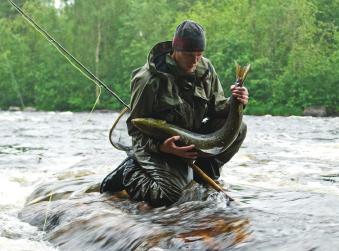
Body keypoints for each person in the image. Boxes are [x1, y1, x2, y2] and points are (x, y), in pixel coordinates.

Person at [100, 20, 248, 207]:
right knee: (171, 197)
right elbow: (135, 131)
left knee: (239, 129)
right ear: (175, 50)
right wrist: (162, 147)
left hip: (191, 141)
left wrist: (236, 101)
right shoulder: (148, 80)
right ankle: (130, 173)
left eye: (199, 54)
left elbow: (217, 109)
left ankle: (204, 177)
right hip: (158, 148)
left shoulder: (205, 68)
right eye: (189, 55)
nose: (195, 60)